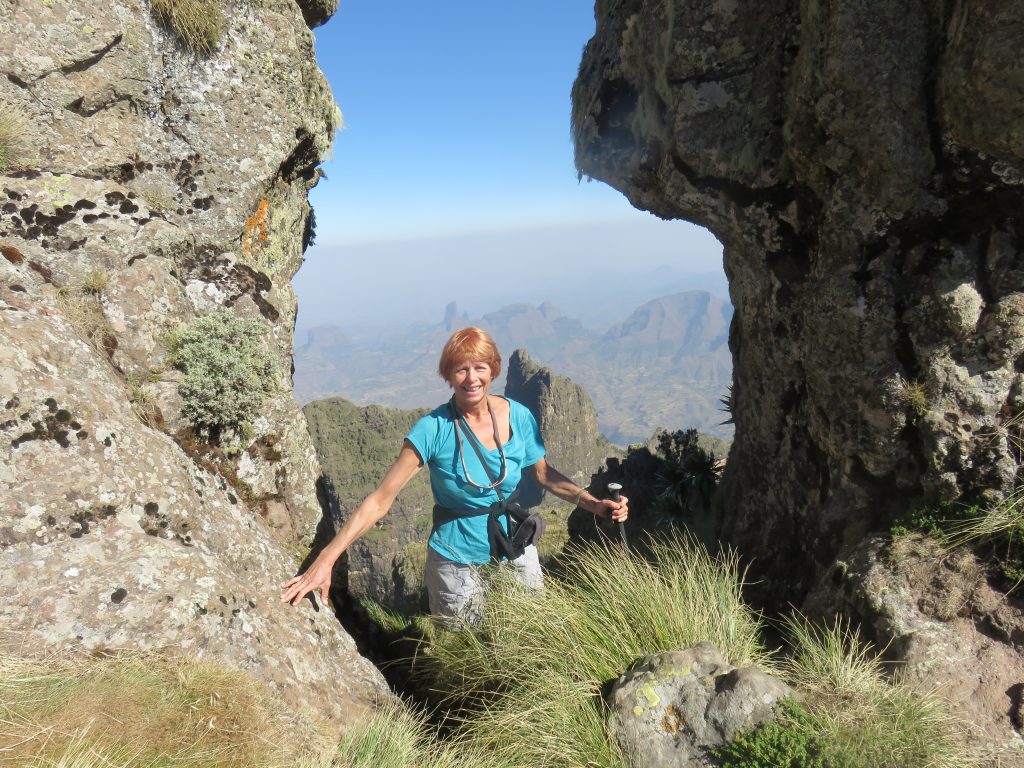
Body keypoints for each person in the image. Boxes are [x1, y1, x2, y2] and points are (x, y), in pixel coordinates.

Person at [281, 326, 628, 622]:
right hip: (456, 563)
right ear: (448, 375)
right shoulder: (433, 429)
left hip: (515, 546)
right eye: (461, 369)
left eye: (480, 367)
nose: (471, 378)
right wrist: (326, 559)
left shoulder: (518, 416)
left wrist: (595, 505)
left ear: (493, 370)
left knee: (534, 636)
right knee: (468, 656)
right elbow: (380, 501)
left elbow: (544, 474)